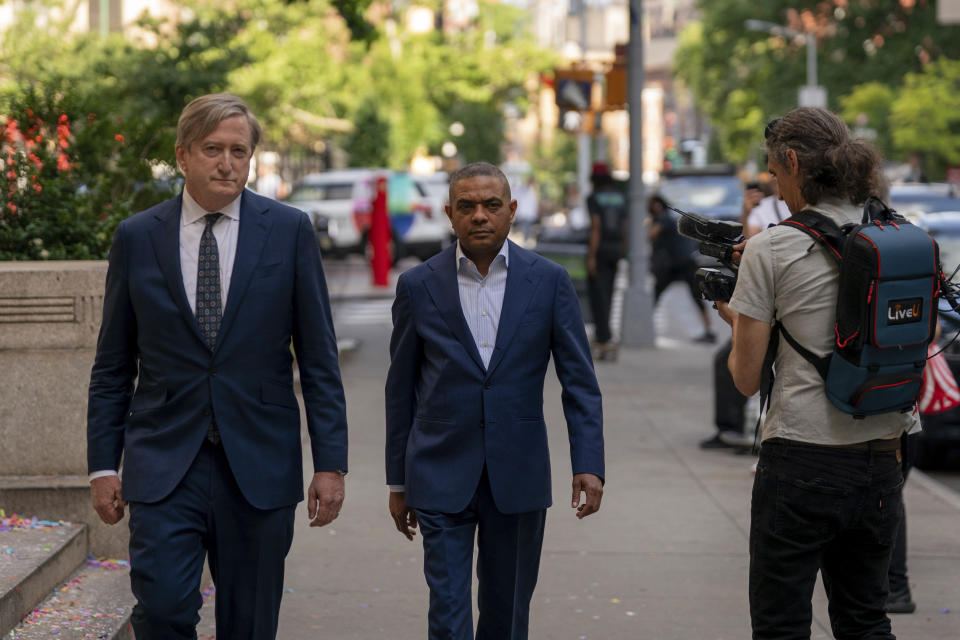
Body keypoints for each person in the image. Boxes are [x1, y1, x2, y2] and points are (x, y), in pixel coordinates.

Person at [86, 94, 348, 639]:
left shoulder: (289, 230)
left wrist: (331, 464)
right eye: (212, 150)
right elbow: (113, 363)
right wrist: (102, 464)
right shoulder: (137, 237)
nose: (227, 163)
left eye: (239, 150)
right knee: (162, 609)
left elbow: (320, 358)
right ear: (183, 156)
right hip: (164, 460)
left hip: (258, 463)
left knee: (250, 624)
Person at [716, 107, 919, 638]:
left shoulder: (772, 247)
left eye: (776, 174)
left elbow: (745, 376)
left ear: (791, 161)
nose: (778, 190)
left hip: (803, 457)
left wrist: (736, 317)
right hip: (883, 455)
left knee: (781, 626)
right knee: (865, 621)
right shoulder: (896, 233)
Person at [385, 161, 605, 640]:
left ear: (512, 211)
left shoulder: (547, 282)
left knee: (506, 617)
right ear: (449, 214)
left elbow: (580, 382)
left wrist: (589, 462)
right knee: (448, 615)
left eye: (491, 205)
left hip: (519, 475)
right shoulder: (418, 286)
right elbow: (400, 389)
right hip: (439, 473)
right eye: (467, 206)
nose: (479, 215)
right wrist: (397, 481)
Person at [647, 193, 716, 344]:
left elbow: (650, 235)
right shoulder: (667, 216)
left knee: (659, 293)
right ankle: (708, 330)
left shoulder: (663, 218)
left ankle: (644, 327)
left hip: (680, 263)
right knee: (693, 295)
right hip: (679, 262)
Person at [586, 162, 628, 359]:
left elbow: (596, 226)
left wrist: (591, 256)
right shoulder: (620, 197)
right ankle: (606, 334)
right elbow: (624, 226)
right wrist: (622, 250)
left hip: (601, 250)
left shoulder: (594, 198)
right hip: (615, 250)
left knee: (598, 294)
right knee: (609, 294)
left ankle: (603, 336)